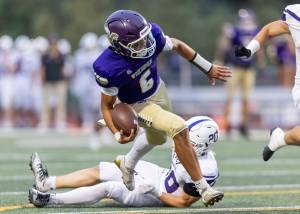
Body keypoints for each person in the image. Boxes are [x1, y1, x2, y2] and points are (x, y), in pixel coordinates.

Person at [91, 10, 230, 206]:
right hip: (138, 104)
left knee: (157, 138)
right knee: (179, 128)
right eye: (137, 43)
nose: (145, 44)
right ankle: (204, 188)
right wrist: (116, 133)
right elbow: (107, 106)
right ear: (119, 46)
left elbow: (178, 45)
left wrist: (208, 68)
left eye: (145, 37)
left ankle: (127, 163)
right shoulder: (108, 67)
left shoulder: (152, 35)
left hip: (158, 90)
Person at [29, 116, 221, 208]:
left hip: (160, 193)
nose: (181, 142)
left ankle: (49, 200)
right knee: (104, 169)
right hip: (160, 175)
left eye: (188, 141)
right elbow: (156, 126)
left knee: (110, 188)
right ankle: (46, 183)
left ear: (202, 146)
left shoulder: (207, 170)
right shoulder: (186, 139)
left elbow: (183, 202)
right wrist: (124, 120)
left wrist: (155, 191)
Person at [235, 4, 300, 161]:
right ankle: (281, 139)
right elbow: (270, 29)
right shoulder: (295, 13)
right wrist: (250, 49)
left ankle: (280, 139)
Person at [216, 9, 264, 138]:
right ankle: (227, 126)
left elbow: (259, 47)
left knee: (246, 99)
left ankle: (244, 125)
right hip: (235, 67)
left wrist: (260, 61)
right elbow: (225, 45)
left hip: (248, 68)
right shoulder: (234, 31)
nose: (247, 22)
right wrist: (220, 59)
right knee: (229, 98)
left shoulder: (255, 31)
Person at [39, 35, 67, 131]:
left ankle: (60, 123)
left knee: (60, 103)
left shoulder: (61, 55)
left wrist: (65, 81)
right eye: (52, 44)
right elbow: (42, 69)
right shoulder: (45, 56)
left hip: (59, 82)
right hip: (47, 82)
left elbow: (63, 70)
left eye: (55, 44)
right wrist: (42, 81)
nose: (53, 46)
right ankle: (44, 123)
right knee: (46, 104)